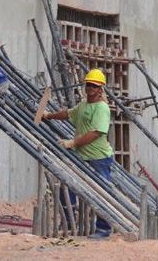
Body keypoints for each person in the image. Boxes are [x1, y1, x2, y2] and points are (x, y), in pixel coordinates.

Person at [42, 68, 114, 239]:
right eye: (88, 85)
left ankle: (103, 230)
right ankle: (68, 223)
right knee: (67, 187)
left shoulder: (102, 108)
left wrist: (72, 142)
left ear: (100, 89)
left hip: (99, 158)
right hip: (81, 156)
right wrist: (49, 116)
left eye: (94, 86)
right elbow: (68, 114)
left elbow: (96, 133)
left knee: (101, 192)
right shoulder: (83, 105)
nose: (90, 89)